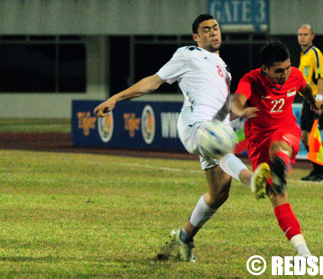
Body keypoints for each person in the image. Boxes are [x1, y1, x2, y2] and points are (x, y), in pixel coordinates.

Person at [93, 14, 270, 263]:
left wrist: (239, 114)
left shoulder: (225, 69)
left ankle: (184, 236)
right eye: (206, 30)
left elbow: (218, 104)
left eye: (216, 28)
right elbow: (153, 82)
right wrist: (115, 98)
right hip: (194, 126)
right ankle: (251, 180)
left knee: (219, 194)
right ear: (196, 37)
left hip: (215, 127)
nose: (213, 33)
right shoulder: (188, 54)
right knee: (219, 142)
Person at [231, 41, 322, 257]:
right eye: (278, 71)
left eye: (287, 68)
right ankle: (303, 252)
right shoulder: (251, 79)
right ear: (265, 69)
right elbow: (238, 100)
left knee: (278, 147)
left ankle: (280, 164)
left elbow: (305, 88)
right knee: (277, 196)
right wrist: (240, 111)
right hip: (257, 140)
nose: (285, 74)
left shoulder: (295, 75)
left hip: (286, 129)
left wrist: (312, 101)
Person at [297, 24, 323, 182]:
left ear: (312, 36)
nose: (302, 37)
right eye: (300, 34)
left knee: (314, 136)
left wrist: (318, 100)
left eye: (306, 34)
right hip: (308, 100)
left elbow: (321, 78)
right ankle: (316, 170)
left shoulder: (315, 54)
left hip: (319, 98)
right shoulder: (303, 55)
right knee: (305, 137)